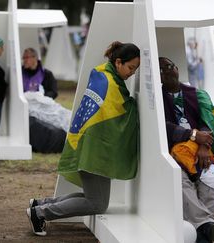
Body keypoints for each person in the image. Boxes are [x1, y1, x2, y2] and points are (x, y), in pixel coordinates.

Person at [25, 41, 140, 236]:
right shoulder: (110, 84)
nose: (132, 73)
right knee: (97, 203)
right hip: (94, 149)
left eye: (135, 69)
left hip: (86, 143)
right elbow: (118, 111)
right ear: (119, 62)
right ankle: (40, 213)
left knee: (93, 197)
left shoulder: (101, 73)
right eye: (131, 68)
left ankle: (41, 204)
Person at [159, 57, 214, 243]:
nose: (165, 72)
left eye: (168, 66)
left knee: (213, 174)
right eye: (160, 70)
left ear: (177, 68)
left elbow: (209, 123)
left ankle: (203, 231)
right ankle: (206, 227)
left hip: (199, 150)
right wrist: (192, 135)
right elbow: (162, 126)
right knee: (179, 178)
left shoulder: (196, 94)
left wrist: (203, 145)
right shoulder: (156, 98)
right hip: (170, 152)